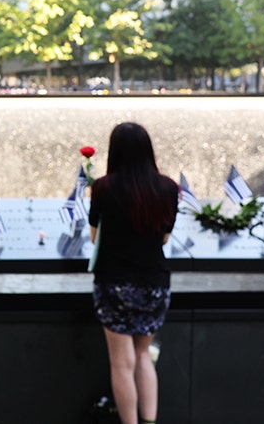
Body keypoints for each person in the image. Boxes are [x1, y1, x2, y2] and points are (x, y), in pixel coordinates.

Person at [88, 122, 178, 424]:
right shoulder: (167, 188)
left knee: (121, 363)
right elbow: (164, 237)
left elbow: (93, 237)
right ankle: (150, 421)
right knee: (143, 355)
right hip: (153, 284)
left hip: (114, 284)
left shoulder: (102, 187)